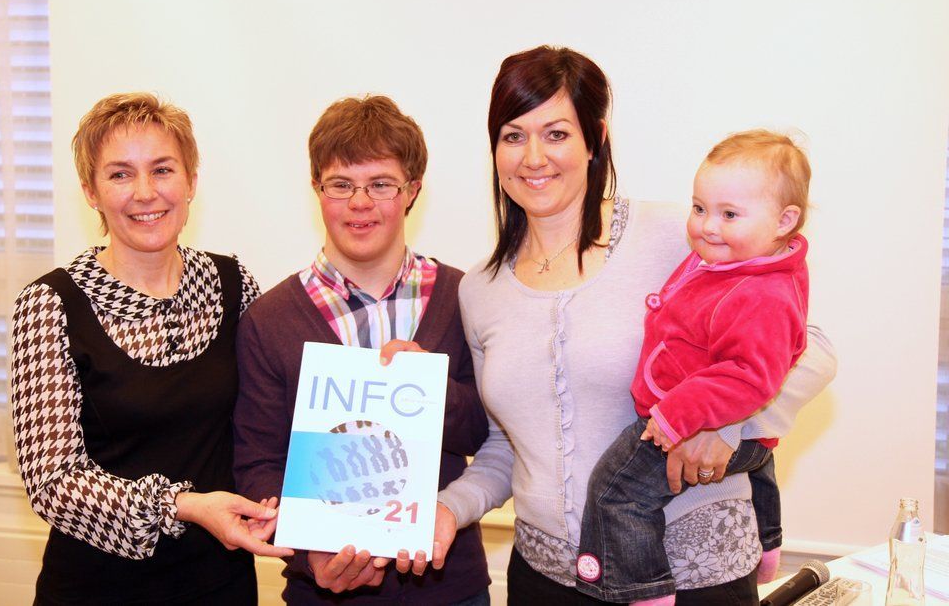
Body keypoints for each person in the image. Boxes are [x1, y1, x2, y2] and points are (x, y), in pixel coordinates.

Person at [433, 46, 837, 605]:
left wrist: (727, 426)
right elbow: (507, 446)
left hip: (693, 577)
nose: (533, 157)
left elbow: (808, 348)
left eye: (556, 134)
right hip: (544, 581)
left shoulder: (684, 235)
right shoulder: (480, 289)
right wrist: (449, 509)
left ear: (595, 139)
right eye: (512, 135)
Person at [10, 92, 292, 605]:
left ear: (191, 182)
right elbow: (53, 483)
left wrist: (383, 369)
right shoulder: (50, 304)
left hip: (221, 584)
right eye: (120, 174)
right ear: (90, 192)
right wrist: (182, 505)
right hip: (97, 590)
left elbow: (279, 410)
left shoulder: (232, 284)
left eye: (162, 169)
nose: (145, 193)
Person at [233, 95, 491, 604]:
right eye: (341, 184)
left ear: (412, 190)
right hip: (322, 593)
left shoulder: (465, 297)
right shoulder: (268, 320)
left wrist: (434, 391)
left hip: (448, 588)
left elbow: (490, 435)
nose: (360, 202)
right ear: (316, 188)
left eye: (381, 184)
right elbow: (257, 464)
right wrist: (309, 555)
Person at [575, 131, 813, 605]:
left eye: (729, 214)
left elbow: (749, 375)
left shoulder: (761, 292)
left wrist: (677, 416)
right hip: (749, 437)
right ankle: (768, 545)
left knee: (615, 491)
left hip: (683, 415)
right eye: (699, 208)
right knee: (761, 458)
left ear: (785, 221)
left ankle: (645, 590)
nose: (707, 226)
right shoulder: (743, 262)